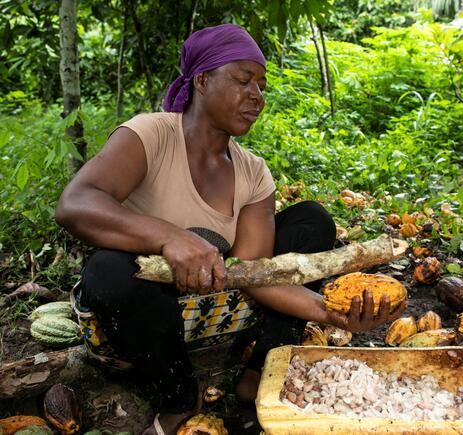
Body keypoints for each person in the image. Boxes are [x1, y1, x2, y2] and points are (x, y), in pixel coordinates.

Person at [56, 24, 404, 435]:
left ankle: (262, 370)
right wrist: (169, 237)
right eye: (243, 80)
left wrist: (332, 313)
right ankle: (177, 400)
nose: (256, 97)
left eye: (261, 86)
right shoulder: (151, 134)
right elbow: (75, 204)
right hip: (139, 324)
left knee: (312, 220)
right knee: (108, 270)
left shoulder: (253, 172)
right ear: (202, 80)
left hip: (218, 312)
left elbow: (257, 273)